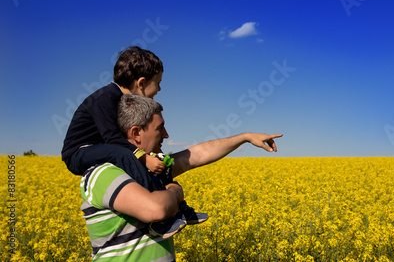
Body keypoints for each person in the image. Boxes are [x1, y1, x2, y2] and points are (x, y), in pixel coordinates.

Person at [81, 94, 283, 261]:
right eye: (160, 128)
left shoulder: (152, 167)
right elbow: (157, 209)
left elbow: (197, 155)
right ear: (136, 133)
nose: (167, 135)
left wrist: (245, 137)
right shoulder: (103, 172)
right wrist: (175, 191)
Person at [61, 46, 204, 236]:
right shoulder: (105, 98)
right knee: (124, 153)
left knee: (156, 157)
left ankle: (181, 210)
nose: (160, 89)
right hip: (79, 152)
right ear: (142, 83)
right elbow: (112, 139)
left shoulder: (120, 99)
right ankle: (160, 219)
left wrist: (151, 157)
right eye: (158, 83)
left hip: (103, 148)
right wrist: (144, 158)